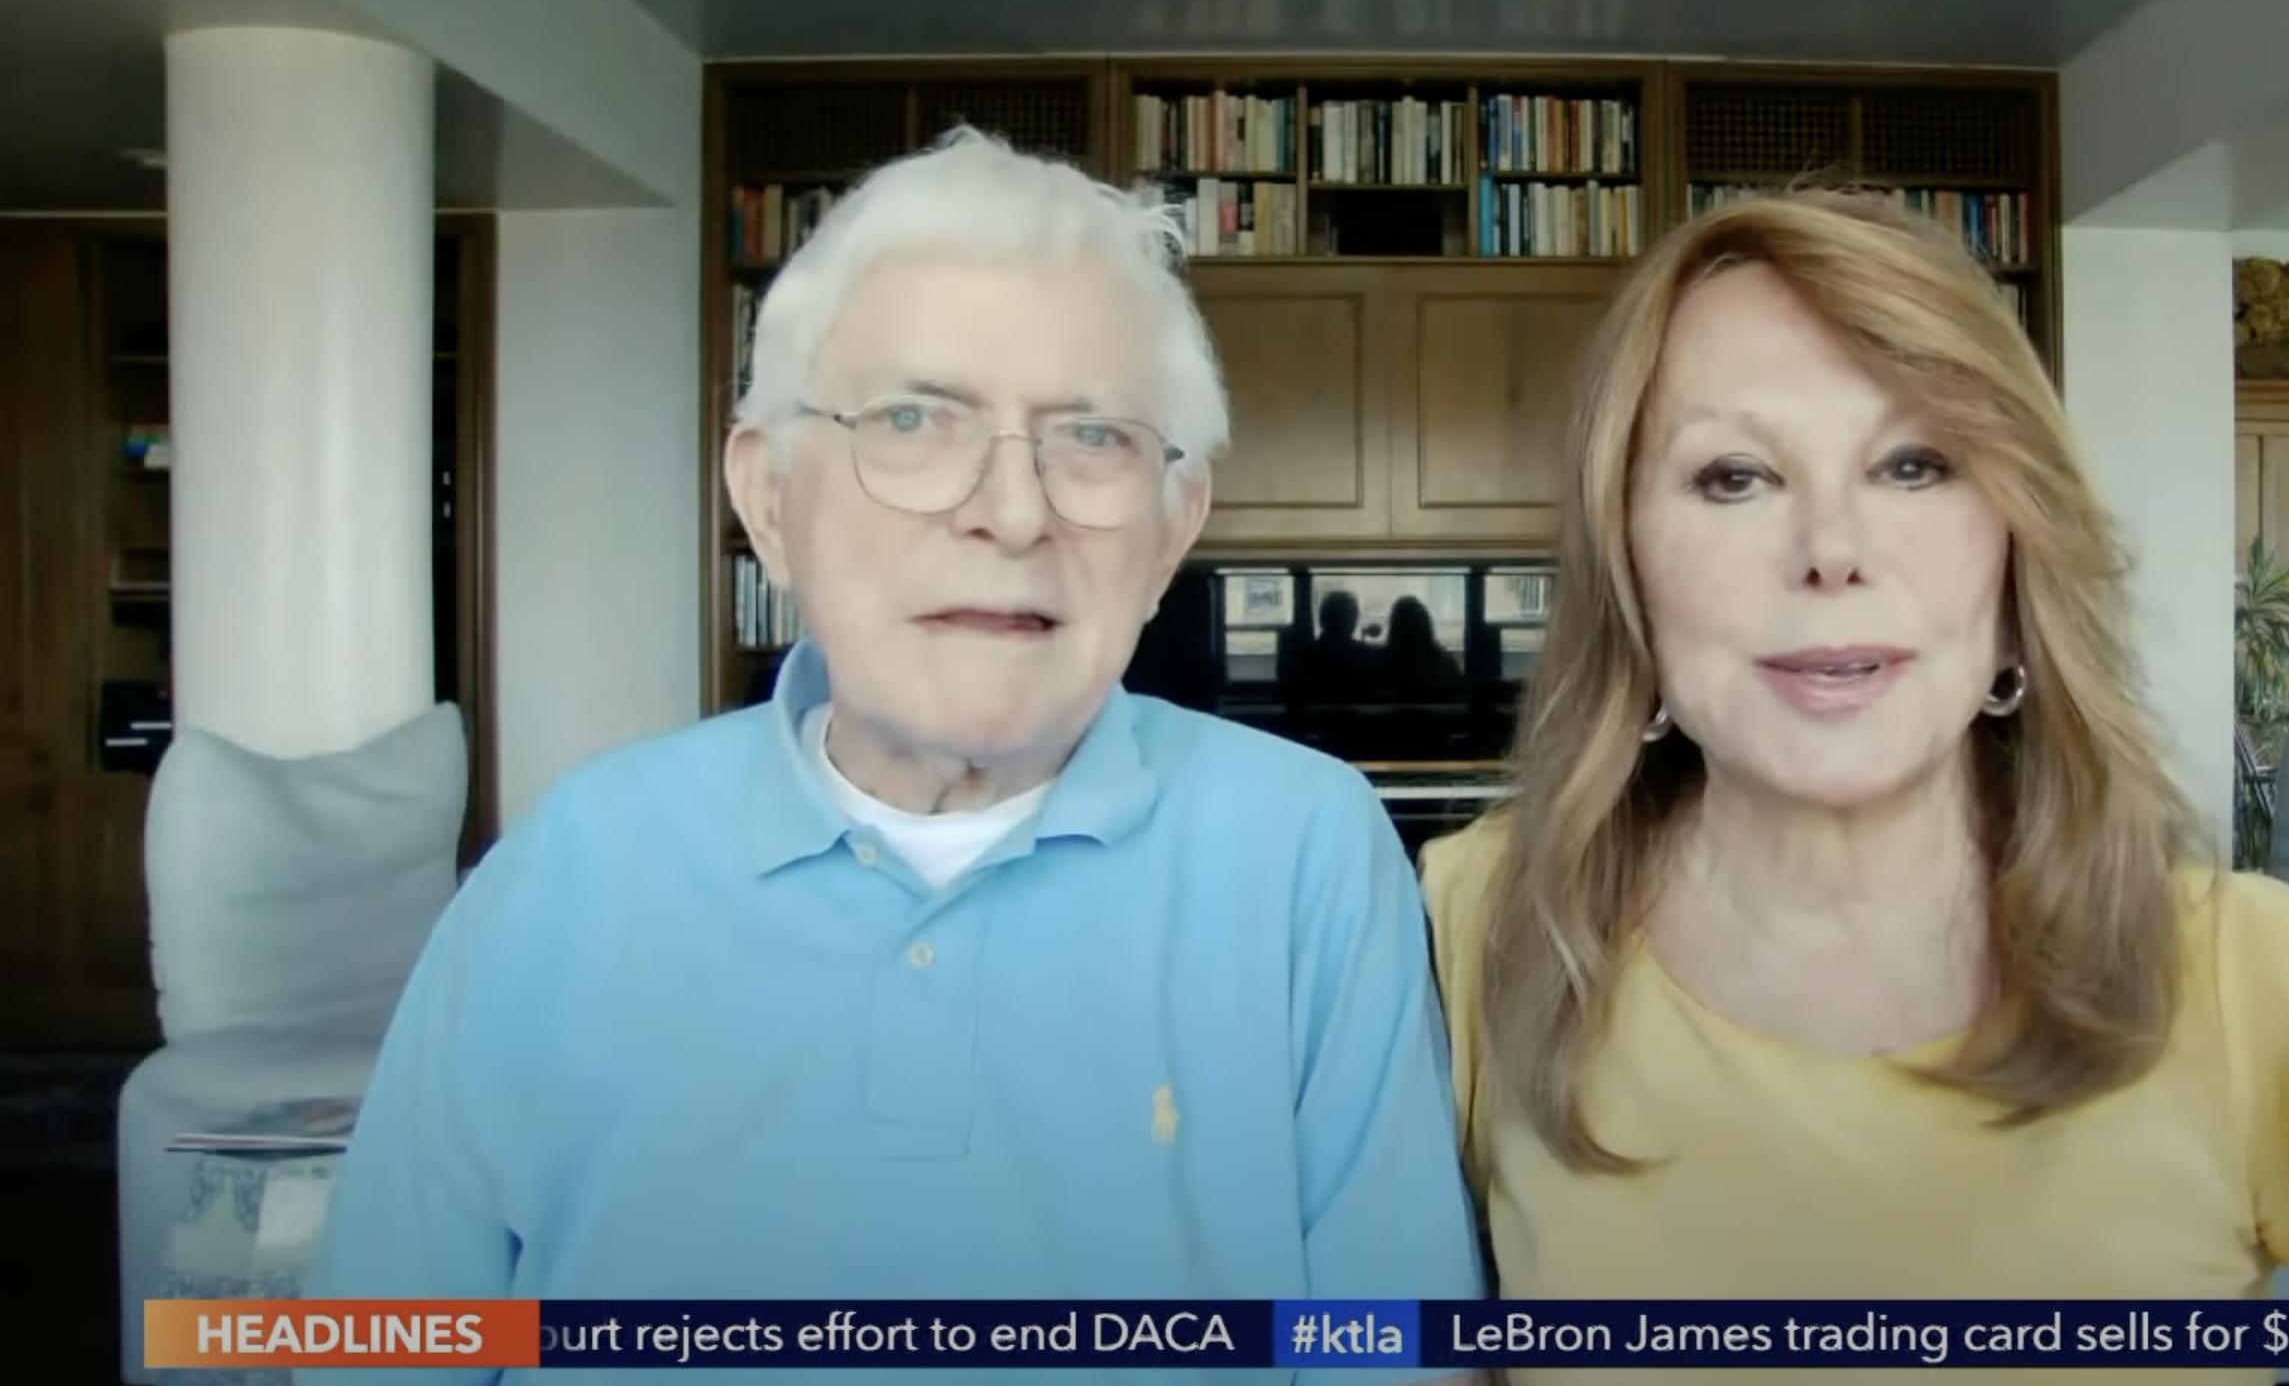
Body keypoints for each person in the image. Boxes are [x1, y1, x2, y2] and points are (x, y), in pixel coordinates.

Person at [1419, 193, 2289, 1386]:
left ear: (2019, 563)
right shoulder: (1474, 926)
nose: (1832, 552)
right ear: (1628, 570)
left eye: (1914, 465)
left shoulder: (2256, 976)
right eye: (1733, 477)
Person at [309, 130, 1482, 1380]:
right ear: (770, 501)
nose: (1013, 512)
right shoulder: (573, 868)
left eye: (1091, 438)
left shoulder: (1303, 852)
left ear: (1171, 528)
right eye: (916, 420)